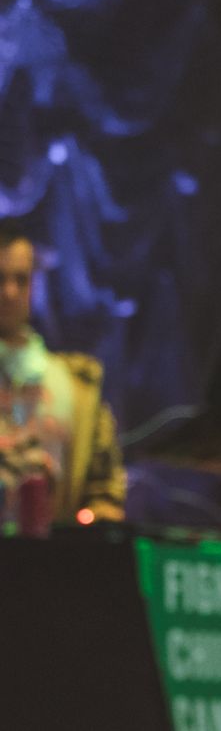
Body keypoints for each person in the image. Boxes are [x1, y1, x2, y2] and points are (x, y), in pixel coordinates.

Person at [0, 220, 125, 531]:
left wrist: (94, 526)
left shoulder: (75, 384)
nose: (9, 292)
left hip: (49, 553)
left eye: (21, 279)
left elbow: (104, 492)